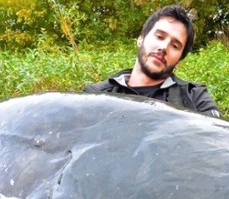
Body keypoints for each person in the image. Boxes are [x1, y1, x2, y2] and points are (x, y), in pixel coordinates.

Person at [83, 5, 221, 117]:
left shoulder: (195, 98)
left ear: (179, 60)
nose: (164, 47)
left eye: (175, 46)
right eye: (160, 37)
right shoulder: (95, 95)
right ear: (141, 39)